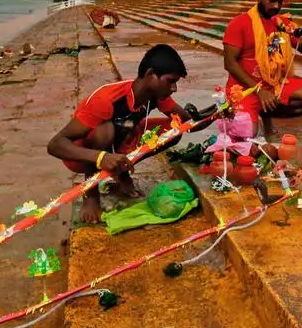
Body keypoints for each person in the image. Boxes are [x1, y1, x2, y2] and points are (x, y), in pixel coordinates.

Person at [48, 44, 202, 223]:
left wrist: (217, 113)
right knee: (104, 131)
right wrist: (100, 158)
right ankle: (91, 194)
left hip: (120, 143)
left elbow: (187, 122)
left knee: (173, 130)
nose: (174, 88)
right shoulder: (106, 100)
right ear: (151, 74)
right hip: (82, 153)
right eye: (171, 81)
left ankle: (121, 172)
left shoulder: (157, 96)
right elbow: (55, 144)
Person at [222, 0, 302, 134]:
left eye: (280, 2)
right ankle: (254, 108)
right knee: (247, 133)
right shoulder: (239, 24)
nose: (276, 6)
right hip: (245, 88)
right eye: (272, 1)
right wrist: (259, 91)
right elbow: (230, 64)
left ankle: (267, 109)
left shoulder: (282, 23)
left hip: (273, 85)